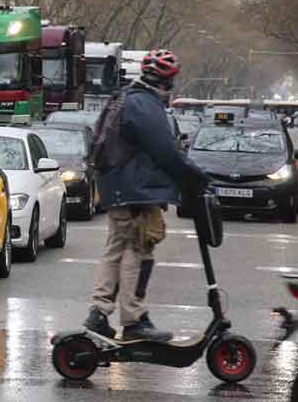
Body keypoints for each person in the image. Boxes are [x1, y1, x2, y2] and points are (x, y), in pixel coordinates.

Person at [83, 50, 209, 343]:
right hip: (135, 190)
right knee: (139, 249)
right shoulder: (144, 105)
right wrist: (198, 178)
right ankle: (134, 319)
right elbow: (166, 152)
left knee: (116, 249)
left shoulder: (125, 97)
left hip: (117, 187)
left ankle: (99, 314)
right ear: (169, 81)